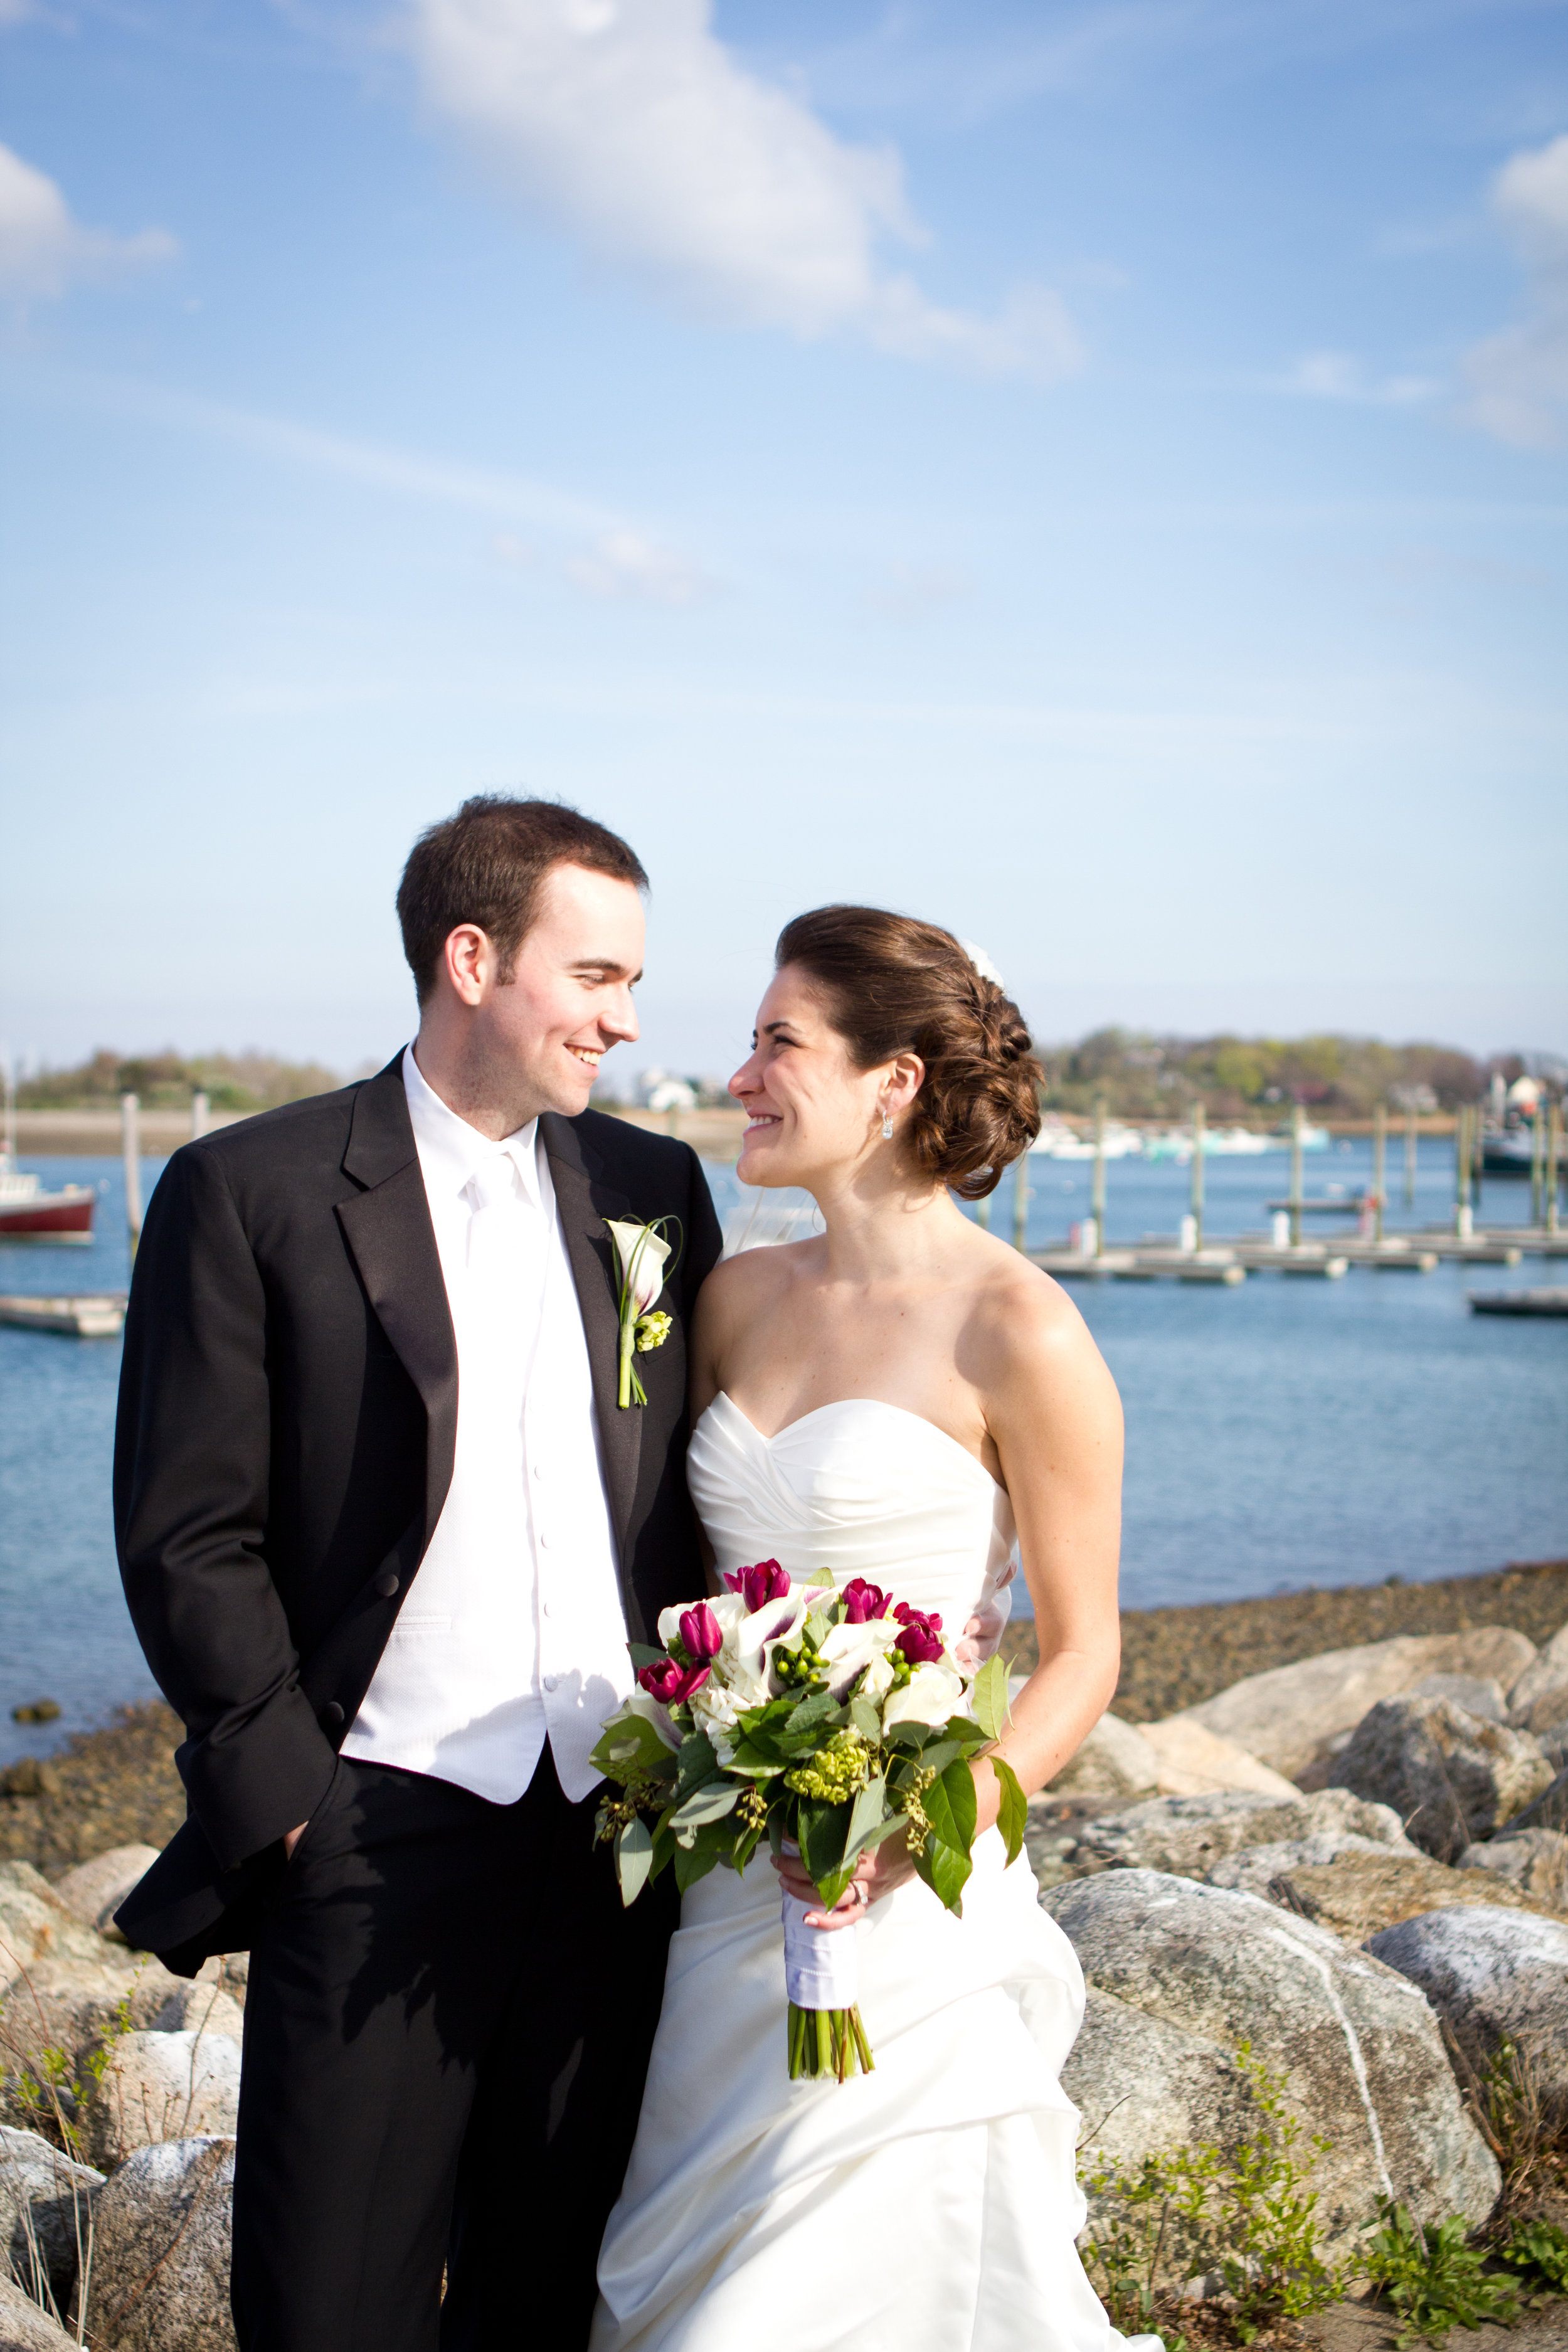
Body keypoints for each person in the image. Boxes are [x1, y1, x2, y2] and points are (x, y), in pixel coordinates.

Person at [112, 797, 724, 2352]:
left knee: (550, 2280)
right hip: (373, 1829)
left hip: (612, 1834)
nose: (627, 1018)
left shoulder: (654, 1191)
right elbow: (189, 1529)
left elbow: (682, 1504)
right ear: (472, 958)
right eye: (594, 977)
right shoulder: (246, 1190)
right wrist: (289, 1793)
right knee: (332, 2298)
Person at [593, 906, 1161, 2352]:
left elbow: (1084, 1650)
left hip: (906, 1896)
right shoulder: (729, 1299)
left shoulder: (1018, 1330)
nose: (739, 1076)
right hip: (728, 1884)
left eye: (778, 1042)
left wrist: (929, 1818)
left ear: (891, 1083)